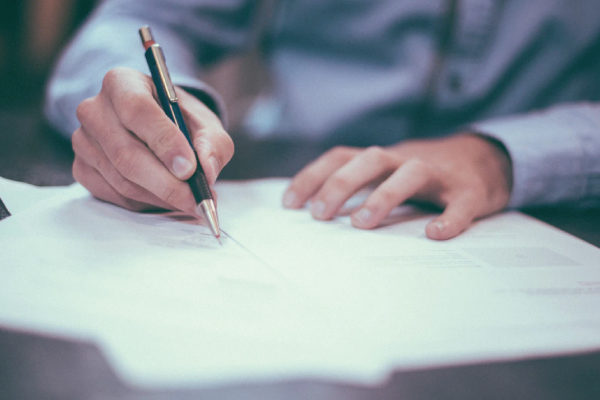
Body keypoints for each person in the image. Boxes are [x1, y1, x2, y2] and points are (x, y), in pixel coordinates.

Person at [45, 0, 600, 240]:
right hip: (289, 184)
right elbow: (137, 20)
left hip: (547, 208)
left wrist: (501, 154)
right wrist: (152, 111)